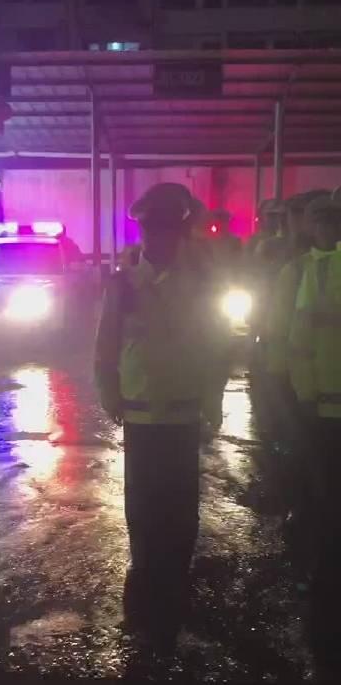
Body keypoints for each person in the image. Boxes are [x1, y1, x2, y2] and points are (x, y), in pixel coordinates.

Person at [94, 182, 228, 642]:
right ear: (144, 234)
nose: (160, 239)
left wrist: (214, 400)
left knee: (181, 507)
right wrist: (110, 394)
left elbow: (215, 346)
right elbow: (106, 346)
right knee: (144, 505)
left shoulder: (202, 283)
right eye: (153, 231)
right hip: (141, 414)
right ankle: (147, 585)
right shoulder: (123, 284)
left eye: (169, 231)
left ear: (179, 234)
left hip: (184, 411)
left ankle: (174, 585)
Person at [284, 196, 341, 672]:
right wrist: (302, 393)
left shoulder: (318, 270)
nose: (326, 227)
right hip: (323, 402)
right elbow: (298, 339)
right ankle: (322, 571)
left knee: (326, 494)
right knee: (323, 493)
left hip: (323, 400)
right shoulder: (312, 270)